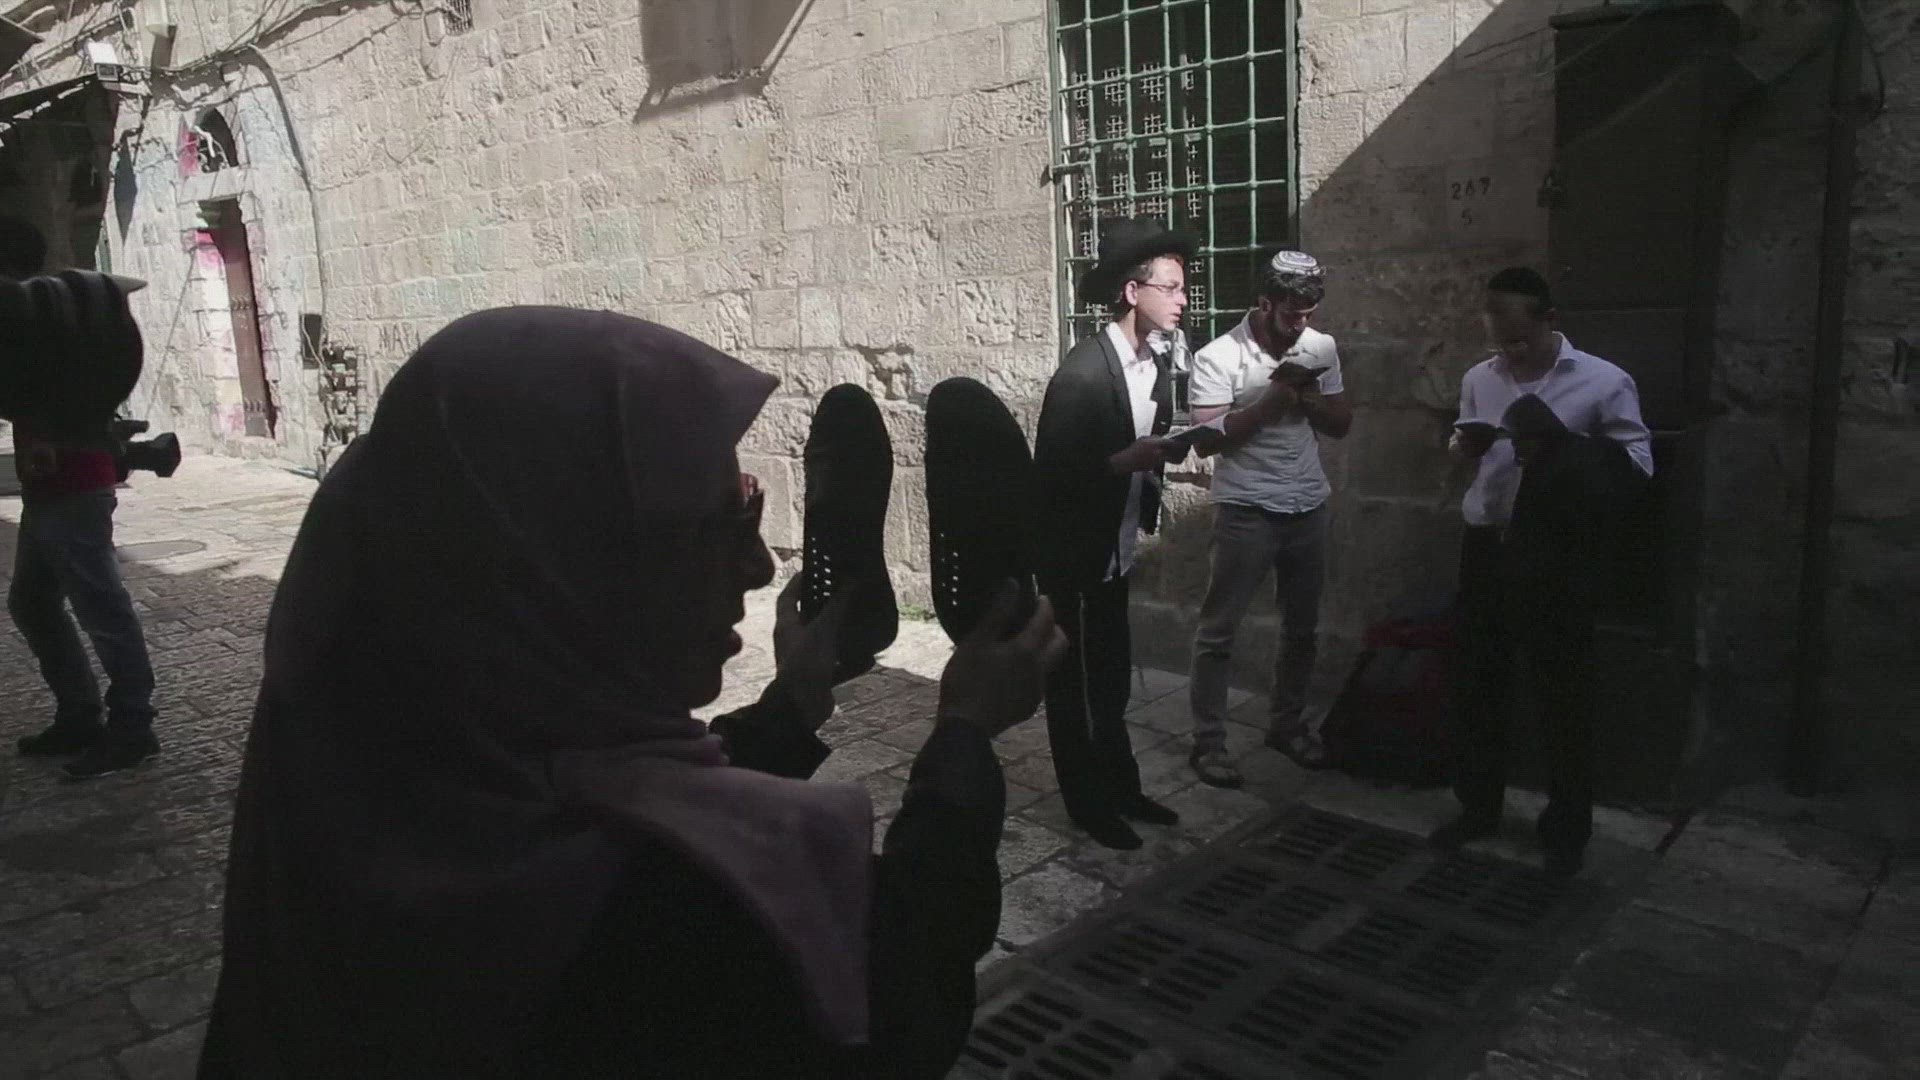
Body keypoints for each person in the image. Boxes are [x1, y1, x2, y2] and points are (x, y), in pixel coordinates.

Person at [197, 307, 1068, 1079]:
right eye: (723, 524)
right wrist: (964, 734)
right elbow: (905, 995)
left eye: (753, 509)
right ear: (561, 569)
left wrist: (789, 708)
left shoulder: (360, 768)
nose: (759, 566)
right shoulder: (668, 920)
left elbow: (620, 794)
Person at [1434, 267, 1653, 878]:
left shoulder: (1604, 381)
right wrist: (1465, 446)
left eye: (1521, 339)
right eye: (1500, 338)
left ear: (1550, 321)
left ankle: (1566, 829)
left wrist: (1561, 449)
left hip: (1558, 554)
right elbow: (1462, 442)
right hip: (1487, 546)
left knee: (1564, 692)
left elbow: (1638, 464)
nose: (1510, 351)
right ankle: (1478, 808)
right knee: (1479, 684)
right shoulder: (1480, 378)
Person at [1032, 217, 1192, 851]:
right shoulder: (1081, 376)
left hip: (1114, 548)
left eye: (1183, 288)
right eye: (1171, 287)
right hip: (1074, 555)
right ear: (1133, 292)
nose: (1183, 299)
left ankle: (1121, 788)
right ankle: (1088, 805)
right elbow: (1052, 480)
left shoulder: (1153, 363)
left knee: (1112, 677)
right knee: (1074, 684)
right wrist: (1124, 461)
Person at [1185, 251, 1352, 788]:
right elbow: (1206, 439)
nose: (1300, 323)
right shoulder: (1217, 356)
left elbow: (1341, 423)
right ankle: (1209, 742)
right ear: (1264, 302)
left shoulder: (1320, 347)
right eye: (1290, 313)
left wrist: (1307, 397)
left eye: (1308, 313)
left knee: (1302, 629)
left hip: (1307, 503)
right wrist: (1270, 402)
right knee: (1219, 631)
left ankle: (1287, 726)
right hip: (1246, 509)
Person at [1, 215, 160, 779]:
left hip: (76, 483)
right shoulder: (33, 318)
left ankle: (133, 726)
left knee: (102, 608)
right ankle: (79, 713)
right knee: (32, 602)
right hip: (49, 488)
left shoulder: (37, 315)